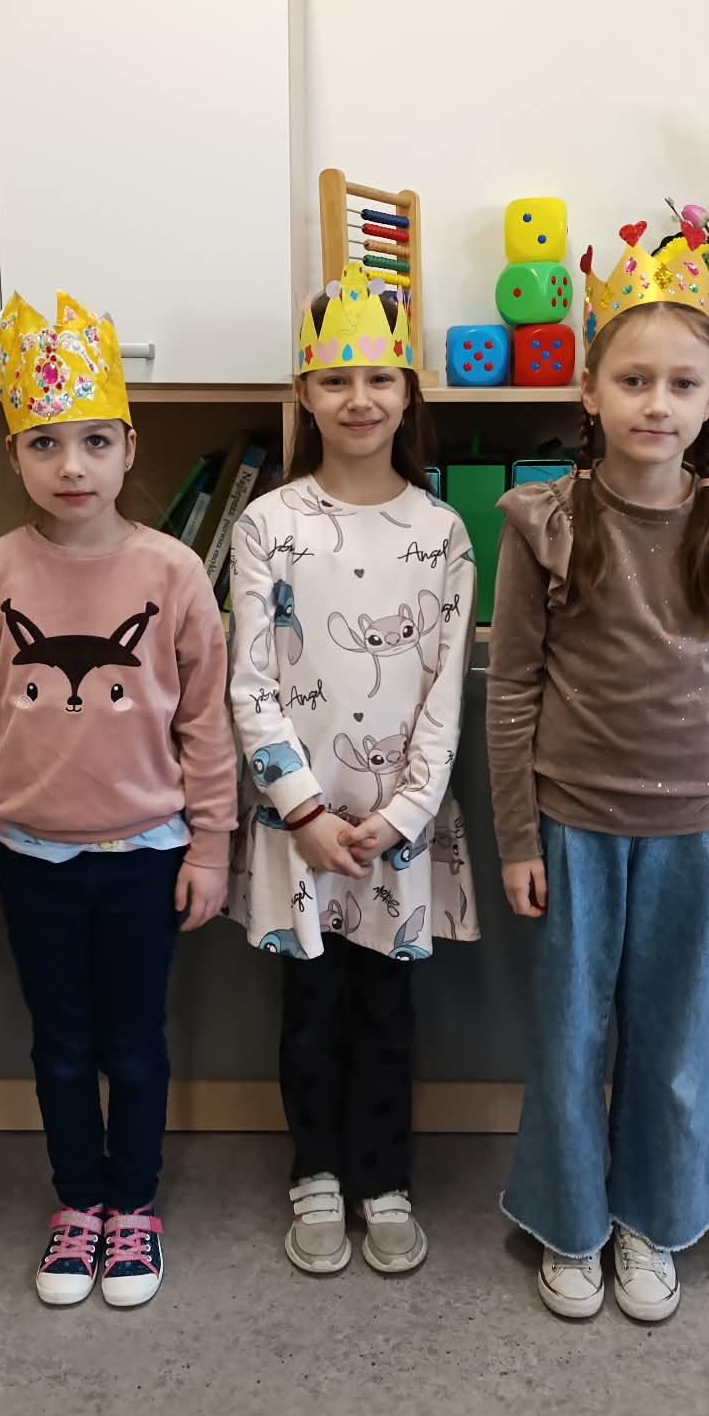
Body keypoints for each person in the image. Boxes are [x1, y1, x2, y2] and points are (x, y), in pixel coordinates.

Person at [487, 219, 709, 1322]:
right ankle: (569, 1219)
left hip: (689, 832)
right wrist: (517, 837)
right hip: (572, 822)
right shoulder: (545, 523)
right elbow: (512, 687)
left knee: (668, 1038)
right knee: (572, 1035)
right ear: (589, 391)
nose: (655, 404)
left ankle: (651, 1217)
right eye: (632, 380)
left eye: (680, 383)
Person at [0, 289, 236, 1311]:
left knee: (136, 1043)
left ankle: (133, 1205)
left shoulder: (174, 571)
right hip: (30, 859)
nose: (72, 466)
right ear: (14, 454)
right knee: (60, 1046)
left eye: (95, 442)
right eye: (46, 443)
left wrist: (210, 846)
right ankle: (78, 1203)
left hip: (149, 853)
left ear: (127, 448)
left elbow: (206, 722)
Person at [227, 263, 479, 1277]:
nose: (359, 398)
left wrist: (406, 812)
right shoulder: (268, 524)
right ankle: (316, 1172)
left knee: (386, 1014)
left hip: (397, 830)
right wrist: (302, 811)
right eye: (336, 380)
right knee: (309, 1013)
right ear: (305, 392)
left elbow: (446, 692)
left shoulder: (444, 531)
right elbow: (251, 683)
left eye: (379, 378)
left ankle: (383, 1177)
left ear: (408, 391)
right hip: (303, 828)